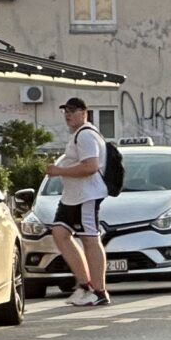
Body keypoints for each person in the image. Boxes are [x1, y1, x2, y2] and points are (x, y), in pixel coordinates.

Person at [46, 97, 110, 306]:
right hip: (73, 197)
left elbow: (90, 166)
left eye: (73, 110)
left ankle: (99, 291)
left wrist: (59, 171)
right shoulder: (79, 135)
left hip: (86, 196)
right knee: (60, 232)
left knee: (90, 239)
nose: (68, 114)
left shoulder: (86, 136)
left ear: (85, 113)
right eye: (65, 110)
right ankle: (84, 284)